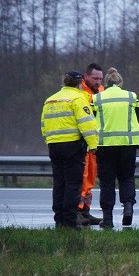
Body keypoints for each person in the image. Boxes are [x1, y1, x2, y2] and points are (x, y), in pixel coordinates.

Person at [40, 71, 99, 229]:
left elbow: (43, 126)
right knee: (73, 184)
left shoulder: (50, 100)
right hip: (72, 146)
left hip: (54, 146)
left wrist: (50, 140)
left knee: (59, 183)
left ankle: (59, 220)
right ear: (80, 83)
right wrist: (93, 145)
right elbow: (87, 124)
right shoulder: (79, 98)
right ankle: (70, 221)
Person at [92, 67, 139, 228]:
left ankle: (107, 219)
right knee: (127, 178)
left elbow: (91, 120)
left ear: (106, 83)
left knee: (107, 182)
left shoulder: (97, 98)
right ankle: (128, 208)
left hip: (105, 146)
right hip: (127, 145)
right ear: (120, 82)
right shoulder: (131, 96)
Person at [78, 63, 104, 225]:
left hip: (94, 143)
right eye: (95, 78)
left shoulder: (101, 91)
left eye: (100, 79)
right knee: (82, 178)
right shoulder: (80, 92)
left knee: (91, 178)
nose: (98, 82)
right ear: (86, 77)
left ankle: (86, 210)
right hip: (82, 142)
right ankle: (77, 210)